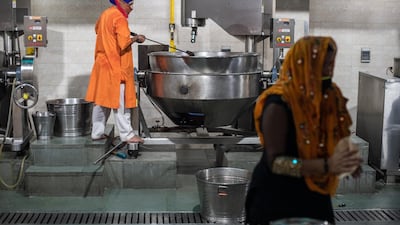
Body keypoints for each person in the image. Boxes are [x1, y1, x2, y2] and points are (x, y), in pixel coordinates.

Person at [245, 36, 363, 224]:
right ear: (304, 64)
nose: (328, 71)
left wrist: (346, 160)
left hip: (314, 192)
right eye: (322, 65)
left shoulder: (324, 98)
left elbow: (329, 137)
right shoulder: (278, 103)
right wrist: (326, 165)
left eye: (330, 65)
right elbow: (277, 163)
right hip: (277, 198)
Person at [85, 0, 145, 143]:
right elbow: (123, 43)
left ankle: (97, 133)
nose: (132, 8)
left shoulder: (105, 14)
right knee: (121, 102)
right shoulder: (119, 17)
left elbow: (97, 30)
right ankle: (128, 135)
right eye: (130, 4)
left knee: (102, 101)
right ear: (120, 3)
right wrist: (136, 38)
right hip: (116, 67)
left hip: (102, 65)